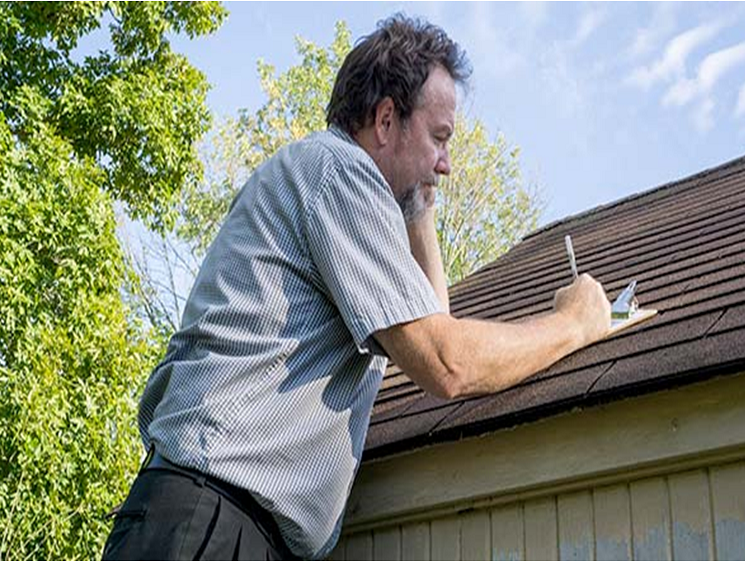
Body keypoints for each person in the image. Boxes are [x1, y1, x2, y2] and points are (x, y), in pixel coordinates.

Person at [102, 14, 610, 561]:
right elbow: (447, 363)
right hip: (209, 524)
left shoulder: (337, 188)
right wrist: (574, 324)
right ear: (386, 120)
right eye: (439, 138)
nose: (447, 164)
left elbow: (434, 322)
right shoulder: (338, 172)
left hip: (222, 525)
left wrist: (419, 210)